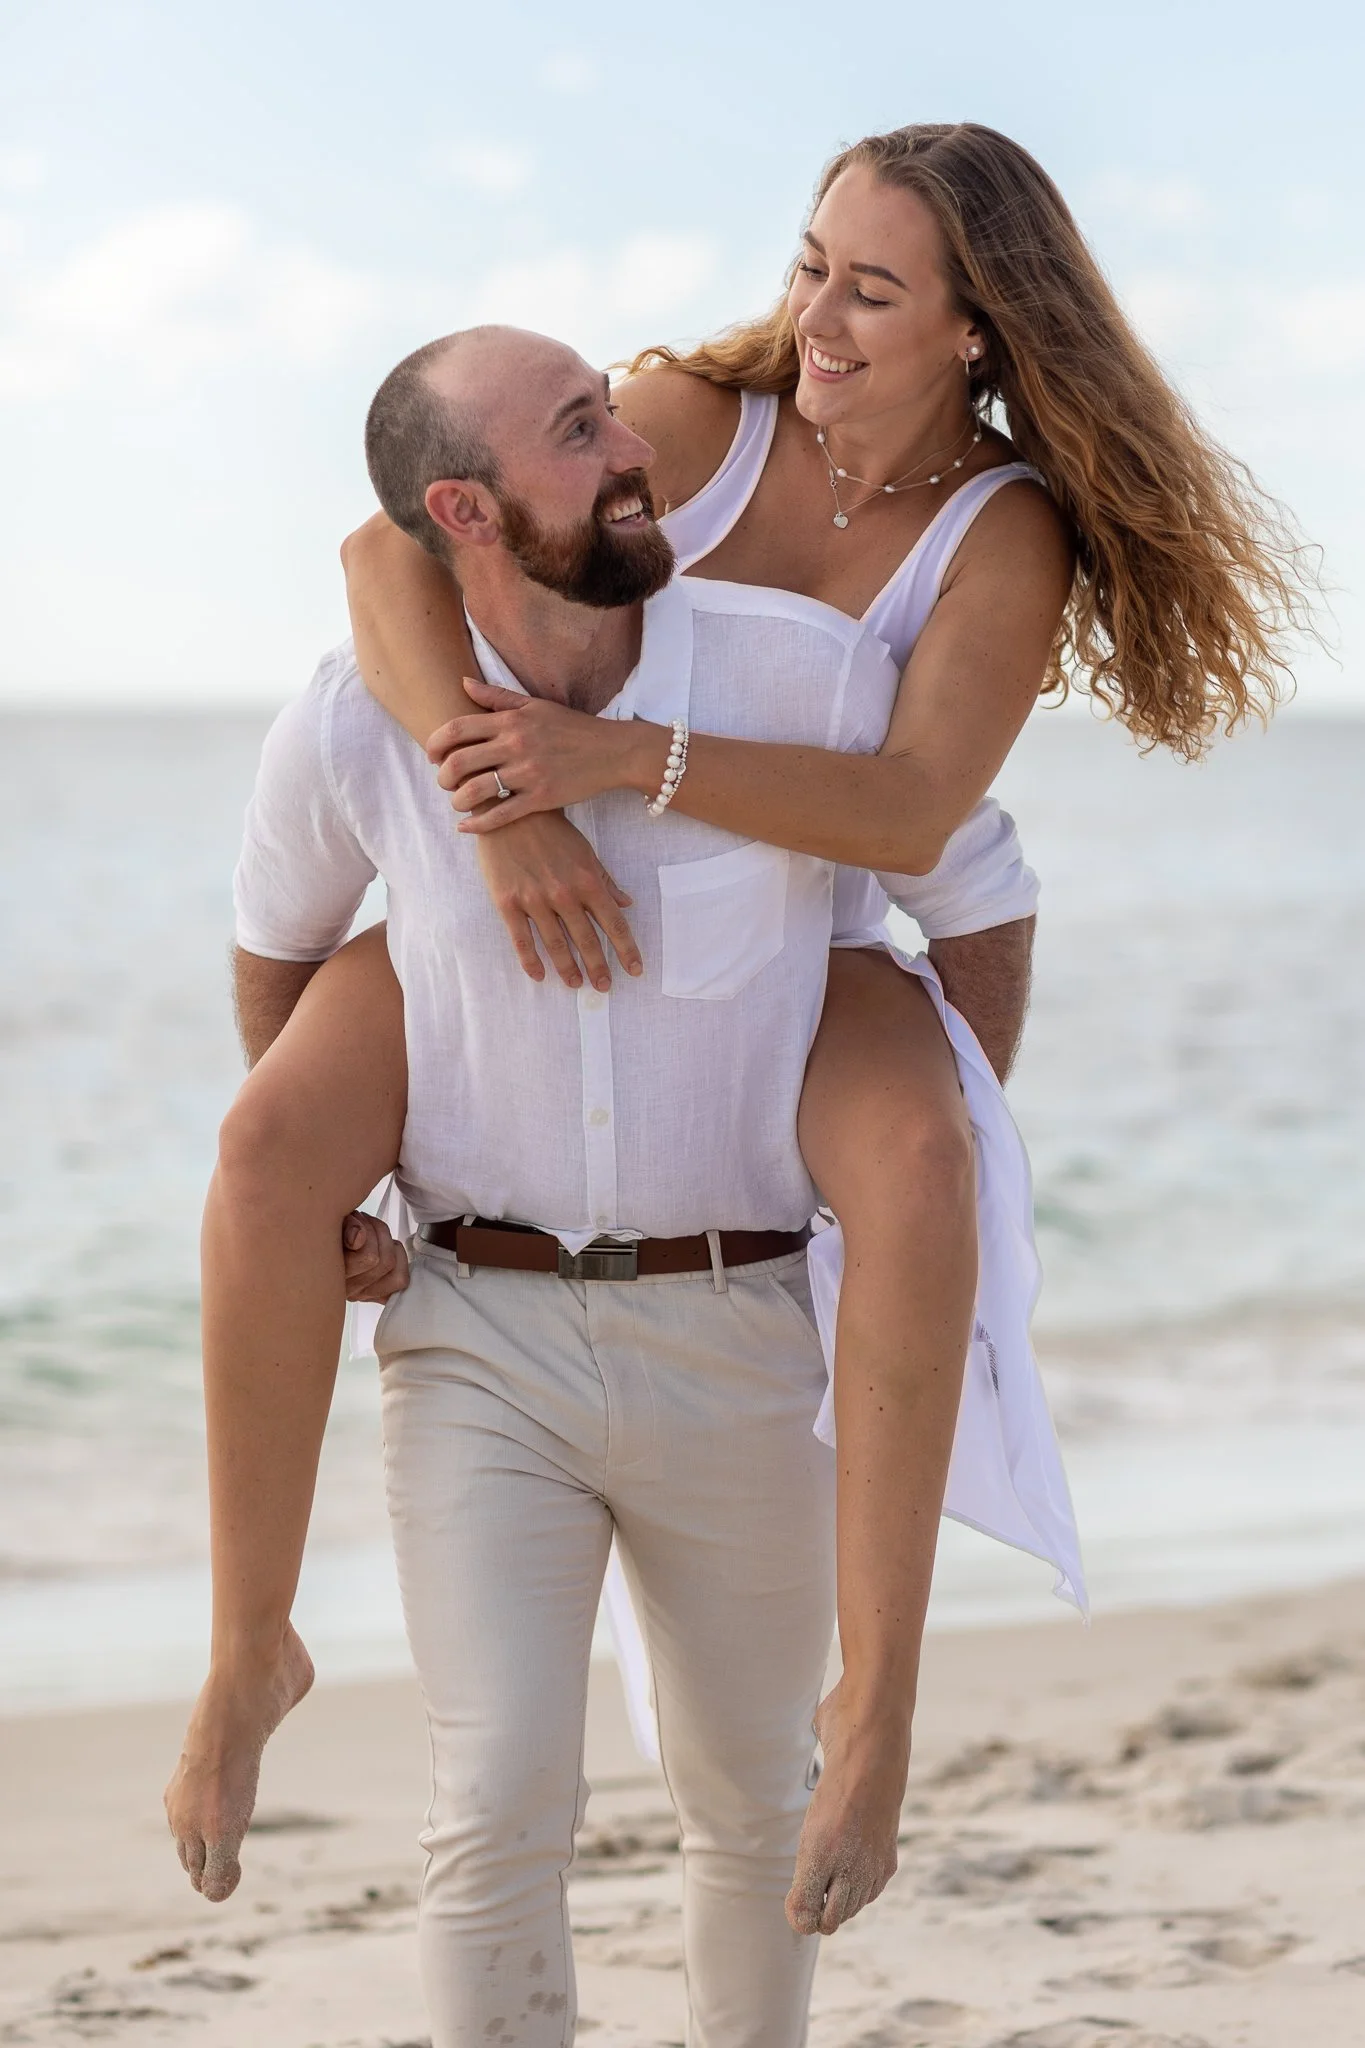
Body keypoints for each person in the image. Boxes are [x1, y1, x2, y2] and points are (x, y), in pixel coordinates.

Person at [170, 322, 1044, 2046]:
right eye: (582, 434)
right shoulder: (357, 720)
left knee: (745, 1809)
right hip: (480, 1332)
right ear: (468, 512)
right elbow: (275, 957)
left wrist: (913, 1126)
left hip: (738, 1327)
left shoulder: (795, 686)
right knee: (492, 1802)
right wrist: (344, 1188)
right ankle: (245, 1653)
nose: (641, 450)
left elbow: (978, 884)